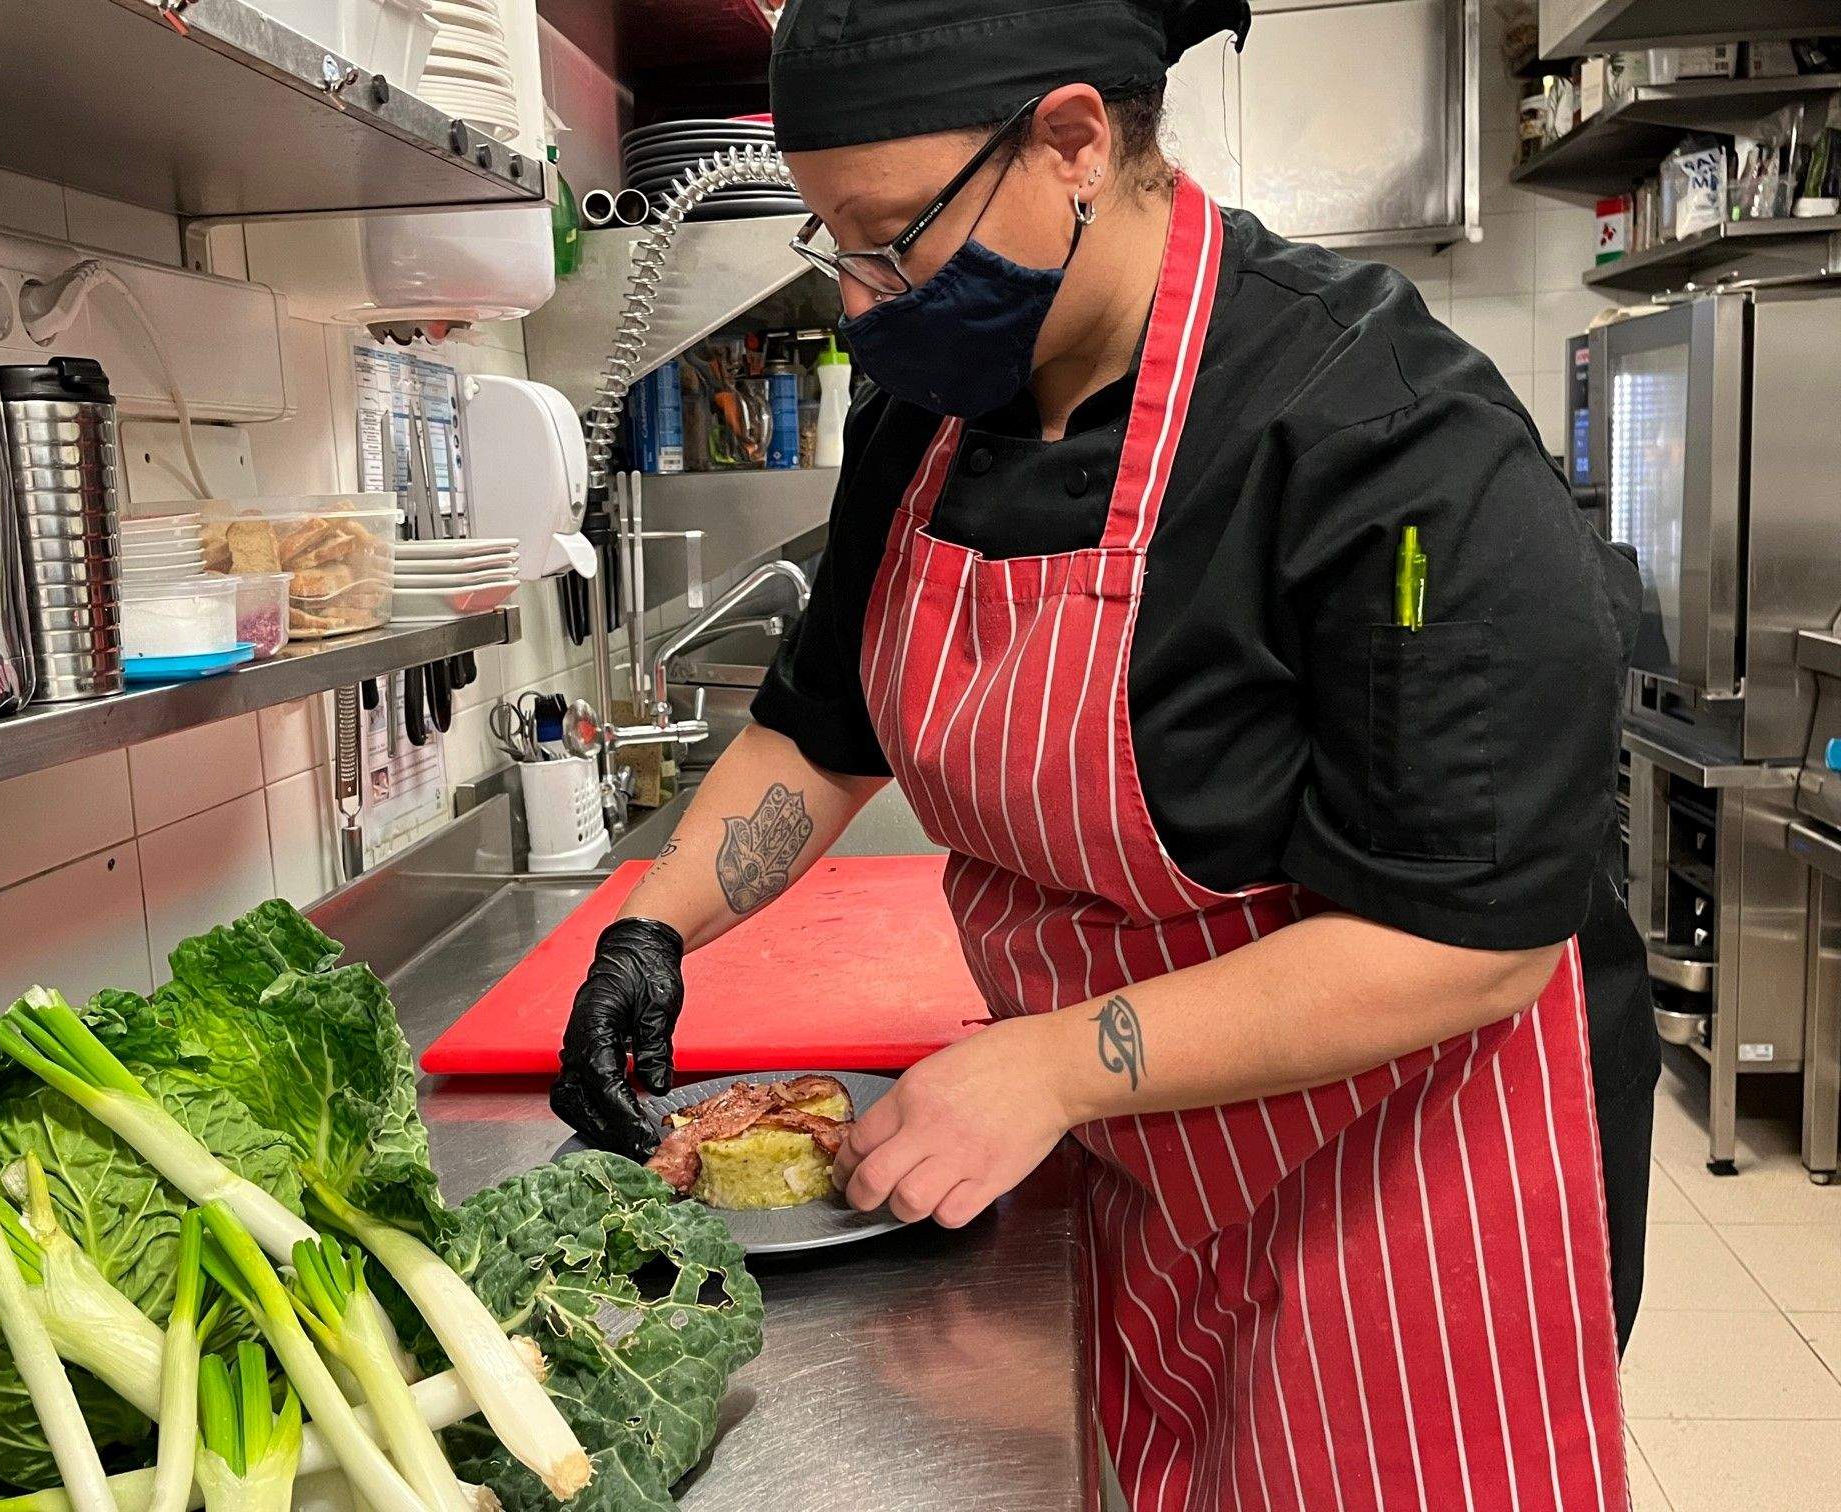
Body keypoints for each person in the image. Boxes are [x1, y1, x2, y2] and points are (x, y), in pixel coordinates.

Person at [552, 0, 1651, 1502]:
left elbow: (1468, 938)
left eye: (890, 239)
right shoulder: (928, 411)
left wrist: (1056, 1066)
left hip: (1405, 1171)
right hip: (1155, 1145)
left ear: (1072, 143)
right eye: (833, 245)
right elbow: (822, 733)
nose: (863, 303)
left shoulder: (1382, 433)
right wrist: (648, 929)